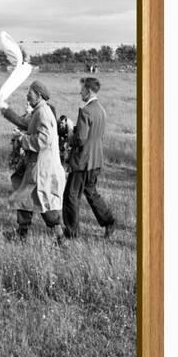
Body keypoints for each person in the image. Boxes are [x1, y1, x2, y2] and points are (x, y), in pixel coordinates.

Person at [0, 80, 66, 242]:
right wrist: (5, 110)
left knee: (43, 202)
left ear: (39, 95)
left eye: (30, 92)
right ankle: (22, 235)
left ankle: (60, 237)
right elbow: (25, 123)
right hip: (37, 166)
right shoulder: (39, 111)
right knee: (26, 198)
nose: (27, 95)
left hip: (41, 168)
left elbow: (44, 139)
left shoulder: (43, 112)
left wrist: (23, 139)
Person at [63, 77, 115, 238]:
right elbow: (93, 133)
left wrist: (71, 132)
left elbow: (80, 139)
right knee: (91, 192)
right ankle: (109, 221)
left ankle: (71, 232)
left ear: (89, 90)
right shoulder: (101, 109)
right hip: (96, 160)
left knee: (70, 196)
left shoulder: (85, 110)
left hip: (82, 161)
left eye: (83, 89)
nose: (80, 91)